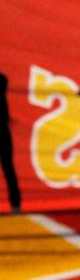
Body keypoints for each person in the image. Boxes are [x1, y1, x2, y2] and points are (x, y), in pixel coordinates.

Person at [0, 73, 21, 214]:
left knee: (8, 167)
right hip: (3, 129)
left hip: (2, 129)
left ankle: (15, 203)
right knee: (8, 167)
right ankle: (16, 203)